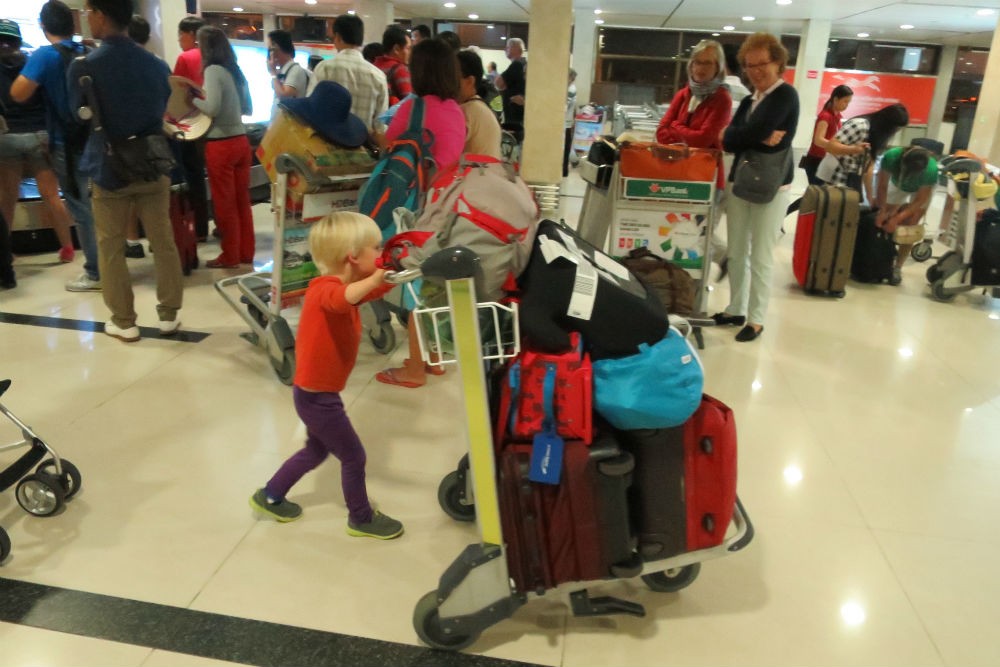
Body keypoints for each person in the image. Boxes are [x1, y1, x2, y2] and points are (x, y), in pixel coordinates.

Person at [249, 211, 403, 540]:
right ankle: (360, 518)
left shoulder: (345, 285)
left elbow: (361, 294)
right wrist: (377, 279)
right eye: (376, 249)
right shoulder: (324, 291)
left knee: (315, 451)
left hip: (316, 393)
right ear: (354, 256)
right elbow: (341, 300)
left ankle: (270, 495)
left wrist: (387, 279)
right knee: (353, 456)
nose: (380, 254)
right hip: (318, 398)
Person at [67, 0, 183, 342]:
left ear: (101, 15)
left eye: (89, 13)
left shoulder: (84, 67)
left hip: (109, 166)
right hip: (152, 163)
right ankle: (168, 314)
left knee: (111, 246)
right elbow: (165, 107)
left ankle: (124, 320)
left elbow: (77, 115)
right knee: (163, 241)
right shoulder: (157, 65)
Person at [376, 38, 466, 390]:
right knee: (434, 284)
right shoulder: (455, 110)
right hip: (451, 203)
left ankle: (415, 367)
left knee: (414, 281)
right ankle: (435, 359)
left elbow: (389, 145)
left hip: (420, 206)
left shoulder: (414, 107)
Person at [714, 32, 799, 343]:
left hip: (772, 187)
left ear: (777, 62)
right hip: (740, 180)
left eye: (761, 64)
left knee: (761, 254)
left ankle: (757, 319)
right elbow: (731, 137)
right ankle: (735, 307)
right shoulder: (750, 100)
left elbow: (745, 134)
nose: (755, 71)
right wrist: (749, 135)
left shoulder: (786, 96)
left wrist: (745, 135)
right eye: (749, 66)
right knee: (736, 251)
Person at [11, 4, 102, 292]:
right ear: (73, 23)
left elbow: (18, 93)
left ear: (42, 24)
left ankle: (96, 271)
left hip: (67, 141)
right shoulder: (87, 51)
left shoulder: (45, 55)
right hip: (97, 138)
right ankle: (111, 261)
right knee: (104, 200)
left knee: (80, 206)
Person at [1, 16, 76, 270]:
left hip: (7, 138)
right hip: (40, 136)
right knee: (51, 196)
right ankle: (66, 247)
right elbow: (48, 101)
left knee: (7, 198)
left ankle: (6, 252)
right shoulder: (32, 63)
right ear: (18, 41)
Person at [655, 39, 733, 280]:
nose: (701, 68)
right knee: (680, 231)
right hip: (678, 177)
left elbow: (705, 139)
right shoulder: (684, 94)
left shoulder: (722, 99)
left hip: (706, 178)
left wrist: (676, 128)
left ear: (718, 67)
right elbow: (661, 132)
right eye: (697, 62)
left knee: (697, 232)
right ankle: (716, 262)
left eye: (708, 63)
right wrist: (683, 133)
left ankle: (698, 285)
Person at [190, 25, 254, 269]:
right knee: (241, 202)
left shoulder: (214, 71)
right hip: (241, 141)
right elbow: (247, 107)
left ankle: (230, 255)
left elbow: (213, 108)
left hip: (220, 144)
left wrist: (192, 99)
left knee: (224, 204)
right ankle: (246, 252)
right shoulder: (235, 71)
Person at [310, 14, 388, 144]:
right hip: (363, 152)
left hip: (328, 149)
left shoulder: (325, 68)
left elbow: (312, 110)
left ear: (338, 37)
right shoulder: (378, 76)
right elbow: (380, 126)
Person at [816, 103, 909, 203]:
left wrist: (869, 197)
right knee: (830, 211)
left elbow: (869, 167)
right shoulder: (860, 125)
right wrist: (854, 149)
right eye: (895, 128)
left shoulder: (878, 135)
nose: (895, 132)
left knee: (845, 211)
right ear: (887, 123)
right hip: (834, 174)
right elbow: (831, 147)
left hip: (850, 179)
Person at [874, 145, 937, 286]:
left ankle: (898, 267)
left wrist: (898, 218)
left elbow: (919, 201)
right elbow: (882, 186)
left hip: (919, 191)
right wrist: (883, 210)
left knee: (910, 225)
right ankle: (881, 259)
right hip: (897, 184)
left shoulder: (931, 170)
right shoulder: (891, 156)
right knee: (883, 218)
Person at [172, 15, 211, 242]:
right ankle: (224, 227)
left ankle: (200, 229)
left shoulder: (186, 58)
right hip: (216, 126)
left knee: (194, 176)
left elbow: (179, 93)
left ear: (191, 35)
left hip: (192, 125)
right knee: (214, 178)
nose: (179, 39)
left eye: (181, 34)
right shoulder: (216, 58)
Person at [800, 85, 858, 185]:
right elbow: (818, 140)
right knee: (816, 193)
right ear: (835, 99)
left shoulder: (837, 117)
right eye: (845, 101)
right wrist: (839, 147)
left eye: (848, 102)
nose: (846, 105)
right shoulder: (825, 116)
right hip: (817, 160)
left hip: (828, 160)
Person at [457, 49, 501, 159]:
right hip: (488, 174)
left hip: (474, 175)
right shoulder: (479, 106)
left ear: (469, 81)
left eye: (451, 77)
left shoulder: (467, 110)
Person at [267, 29, 308, 117]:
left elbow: (283, 96)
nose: (269, 53)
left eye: (270, 49)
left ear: (276, 48)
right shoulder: (283, 70)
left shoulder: (295, 70)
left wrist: (273, 73)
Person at [374, 24, 411, 106]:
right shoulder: (400, 69)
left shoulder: (374, 65)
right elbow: (410, 102)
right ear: (396, 49)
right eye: (408, 48)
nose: (410, 52)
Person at [495, 37, 526, 130]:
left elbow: (498, 84)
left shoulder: (517, 64)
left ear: (518, 49)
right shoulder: (523, 64)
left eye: (508, 47)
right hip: (519, 113)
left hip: (514, 113)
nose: (505, 49)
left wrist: (503, 85)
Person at [563, 68, 577, 178]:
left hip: (565, 123)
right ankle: (564, 170)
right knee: (566, 148)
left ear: (571, 78)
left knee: (565, 148)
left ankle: (564, 171)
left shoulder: (571, 90)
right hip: (566, 122)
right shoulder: (569, 88)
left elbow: (564, 106)